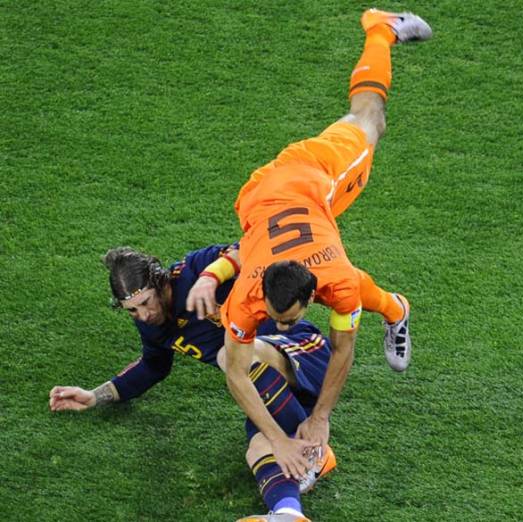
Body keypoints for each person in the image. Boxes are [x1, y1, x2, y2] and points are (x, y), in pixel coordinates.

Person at [182, 9, 433, 504]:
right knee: (247, 344)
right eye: (275, 318)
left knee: (370, 120)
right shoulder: (251, 293)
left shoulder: (335, 279)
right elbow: (233, 370)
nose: (277, 325)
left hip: (320, 175)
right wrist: (277, 439)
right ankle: (395, 306)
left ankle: (381, 26)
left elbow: (343, 352)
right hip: (265, 194)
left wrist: (320, 419)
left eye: (287, 318)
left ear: (311, 294)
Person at [49, 245, 334, 522]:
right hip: (267, 389)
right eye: (132, 310)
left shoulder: (196, 269)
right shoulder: (151, 324)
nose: (143, 315)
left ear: (159, 282)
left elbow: (251, 249)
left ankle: (309, 451)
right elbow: (152, 366)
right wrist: (95, 396)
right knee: (258, 449)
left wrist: (213, 277)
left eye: (146, 302)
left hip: (301, 352)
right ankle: (288, 512)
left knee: (231, 354)